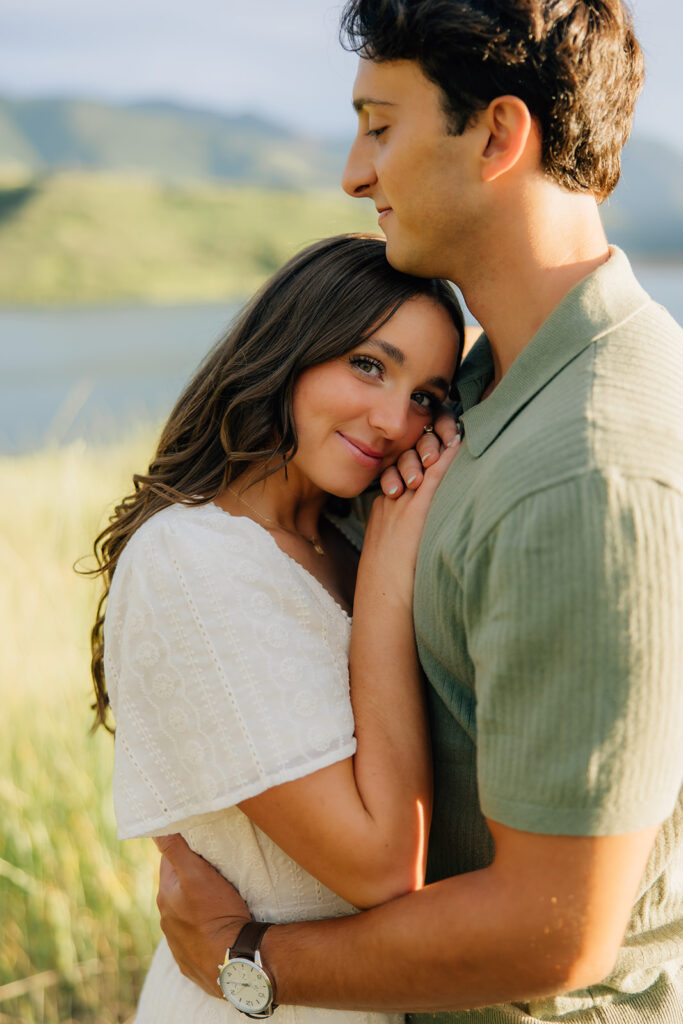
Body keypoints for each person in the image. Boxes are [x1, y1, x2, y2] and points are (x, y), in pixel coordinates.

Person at [153, 2, 683, 1023]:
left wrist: (245, 960)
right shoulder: (482, 387)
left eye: (379, 125)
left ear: (494, 136)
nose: (355, 174)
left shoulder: (587, 469)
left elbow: (554, 927)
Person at [90, 232, 465, 1022]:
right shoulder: (193, 561)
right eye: (368, 364)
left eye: (427, 396)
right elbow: (383, 868)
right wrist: (392, 564)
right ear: (292, 350)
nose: (395, 419)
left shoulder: (341, 535)